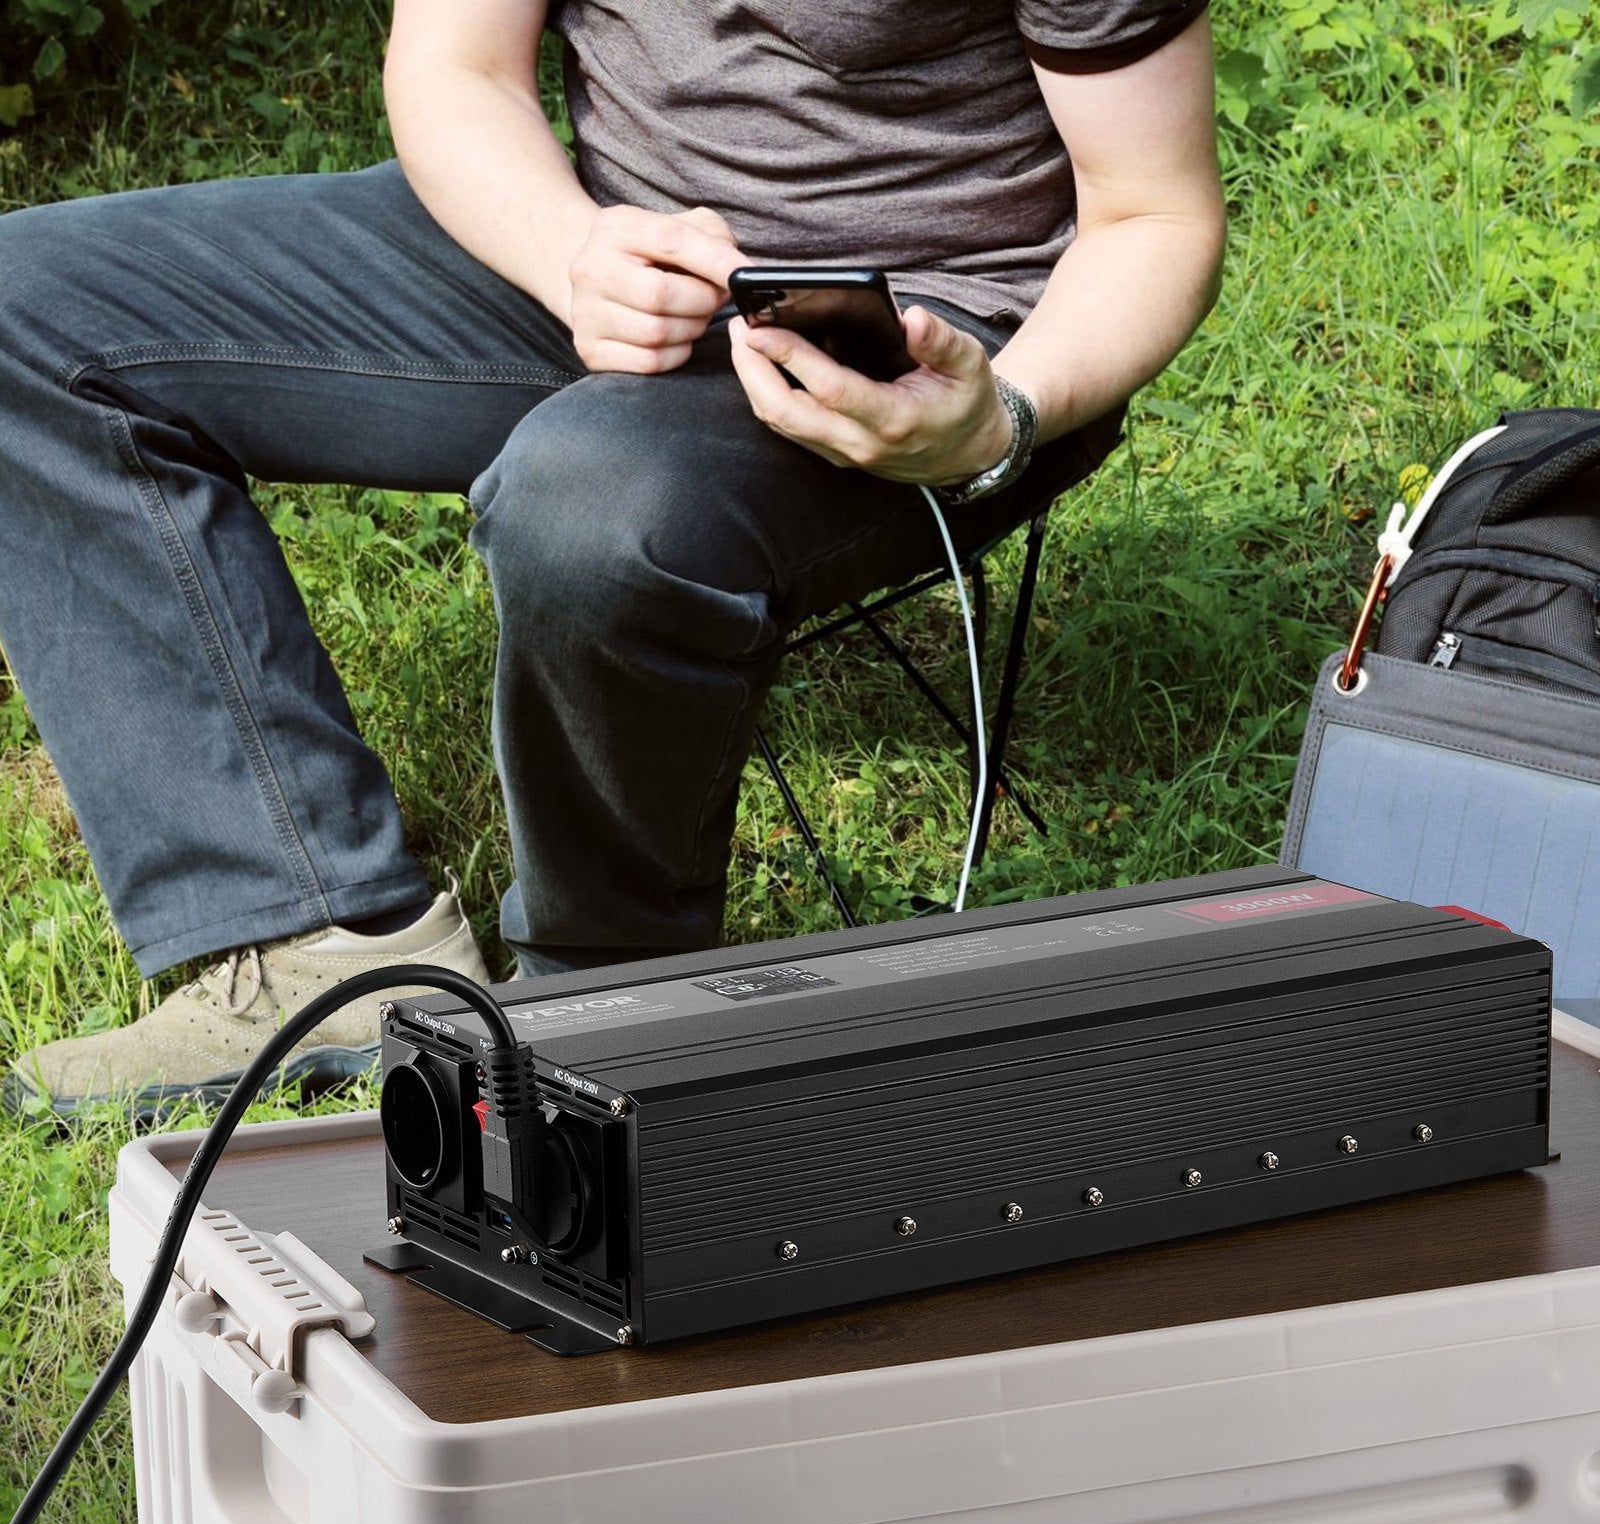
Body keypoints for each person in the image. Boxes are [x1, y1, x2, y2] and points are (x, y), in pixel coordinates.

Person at [0, 0, 1225, 1113]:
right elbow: (457, 65)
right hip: (602, 248)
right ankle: (318, 939)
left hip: (930, 349)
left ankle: (602, 1018)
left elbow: (1154, 214)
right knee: (28, 307)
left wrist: (999, 414)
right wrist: (569, 251)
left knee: (589, 509)